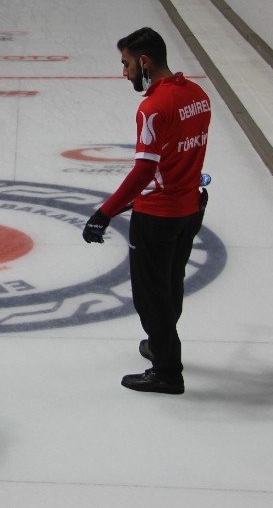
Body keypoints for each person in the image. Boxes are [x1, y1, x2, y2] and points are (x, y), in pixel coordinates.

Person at [82, 27, 211, 395]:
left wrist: (105, 212)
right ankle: (160, 343)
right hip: (190, 208)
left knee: (149, 296)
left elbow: (144, 169)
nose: (124, 73)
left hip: (159, 215)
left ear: (144, 61)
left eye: (125, 64)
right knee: (170, 284)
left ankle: (167, 371)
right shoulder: (198, 96)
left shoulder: (153, 107)